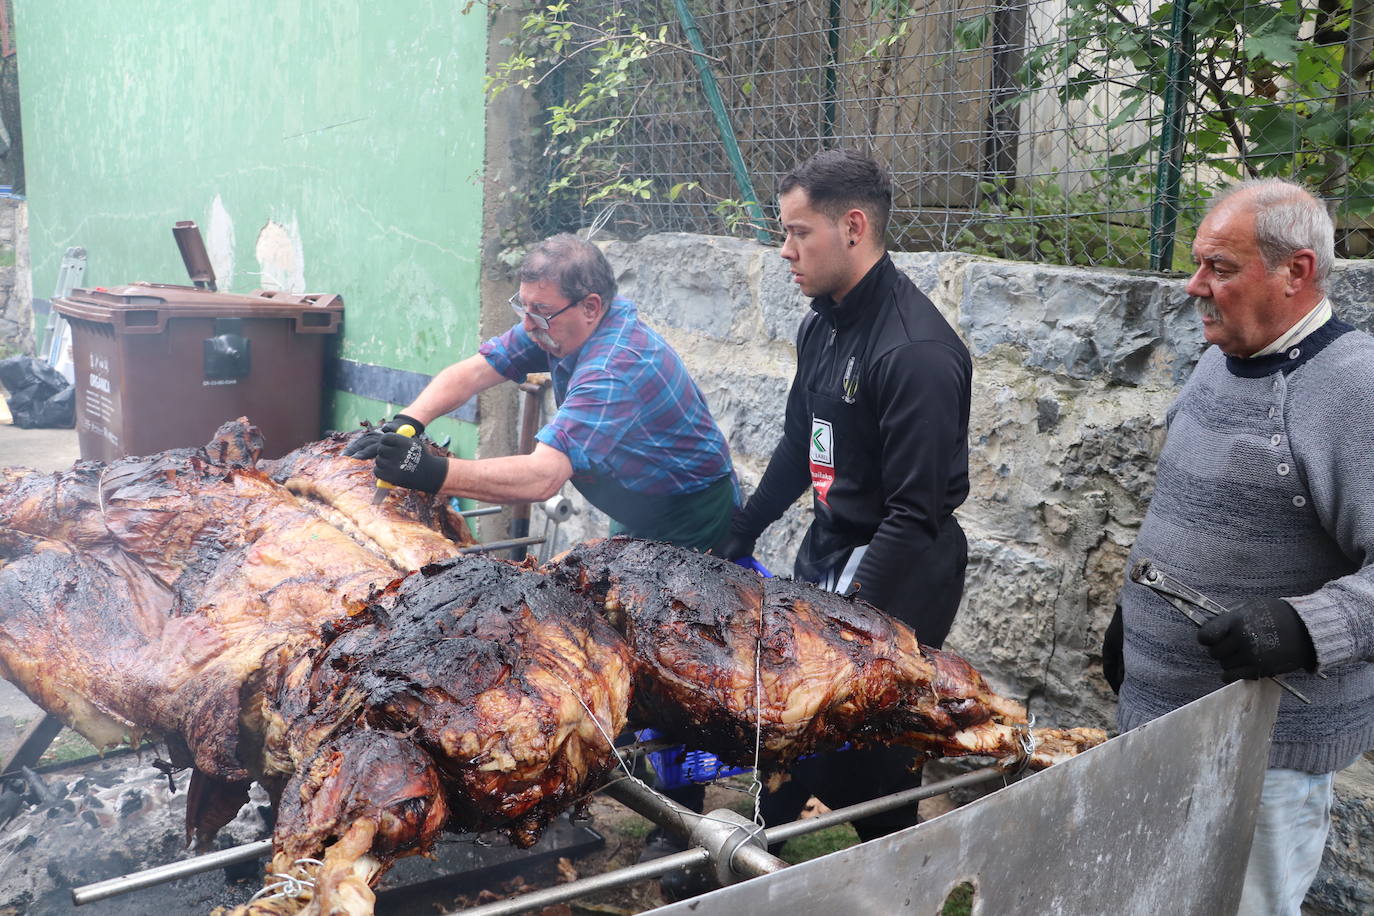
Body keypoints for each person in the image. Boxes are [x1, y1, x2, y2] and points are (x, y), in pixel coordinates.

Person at [1107, 178, 1374, 915]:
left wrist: (1303, 628)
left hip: (1265, 763)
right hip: (1160, 730)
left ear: (1297, 273)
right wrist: (1134, 622)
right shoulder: (1225, 357)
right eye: (1198, 264)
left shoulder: (1354, 387)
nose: (1195, 287)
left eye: (1220, 269)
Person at [721, 148, 973, 841]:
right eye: (785, 233)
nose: (785, 251)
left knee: (874, 740)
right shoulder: (822, 325)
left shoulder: (915, 351)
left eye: (799, 233)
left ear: (853, 227)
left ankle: (889, 863)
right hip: (830, 548)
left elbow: (916, 511)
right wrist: (742, 530)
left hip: (904, 568)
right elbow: (803, 445)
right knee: (791, 716)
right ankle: (754, 847)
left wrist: (852, 619)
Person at [345, 233, 736, 553]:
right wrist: (409, 420)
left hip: (689, 511)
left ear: (591, 306)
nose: (529, 325)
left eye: (540, 311)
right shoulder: (559, 323)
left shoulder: (614, 368)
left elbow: (541, 477)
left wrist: (426, 471)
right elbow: (476, 371)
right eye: (524, 307)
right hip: (636, 498)